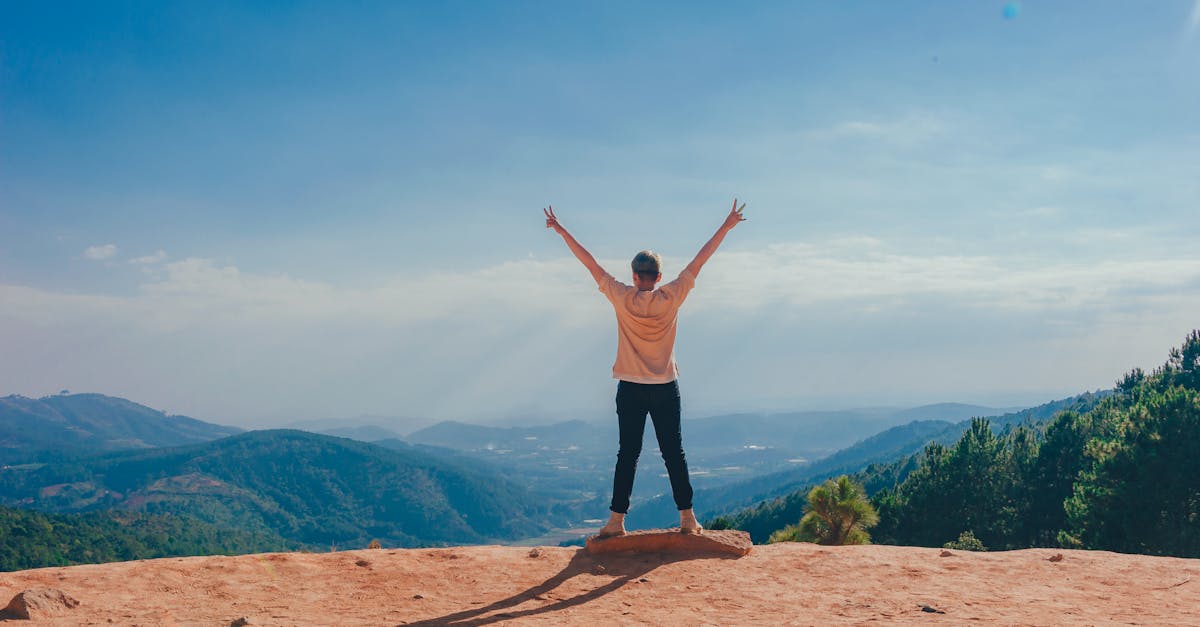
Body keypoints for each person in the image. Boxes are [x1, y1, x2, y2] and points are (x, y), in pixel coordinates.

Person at [544, 199, 747, 537]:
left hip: (631, 388)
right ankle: (687, 519)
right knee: (674, 453)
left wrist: (562, 230)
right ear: (659, 277)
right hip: (666, 386)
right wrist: (726, 225)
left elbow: (589, 264)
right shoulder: (673, 296)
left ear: (635, 276)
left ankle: (615, 522)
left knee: (628, 454)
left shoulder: (621, 296)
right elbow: (701, 259)